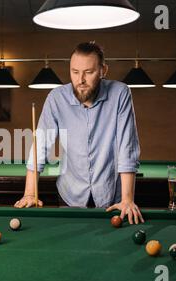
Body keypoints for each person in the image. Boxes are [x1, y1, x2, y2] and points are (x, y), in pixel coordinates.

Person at [14, 41, 144, 225]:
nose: (80, 80)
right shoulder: (56, 98)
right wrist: (29, 194)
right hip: (69, 193)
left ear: (103, 70)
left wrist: (127, 199)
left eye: (88, 72)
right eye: (75, 72)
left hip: (110, 195)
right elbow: (40, 147)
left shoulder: (120, 94)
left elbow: (127, 148)